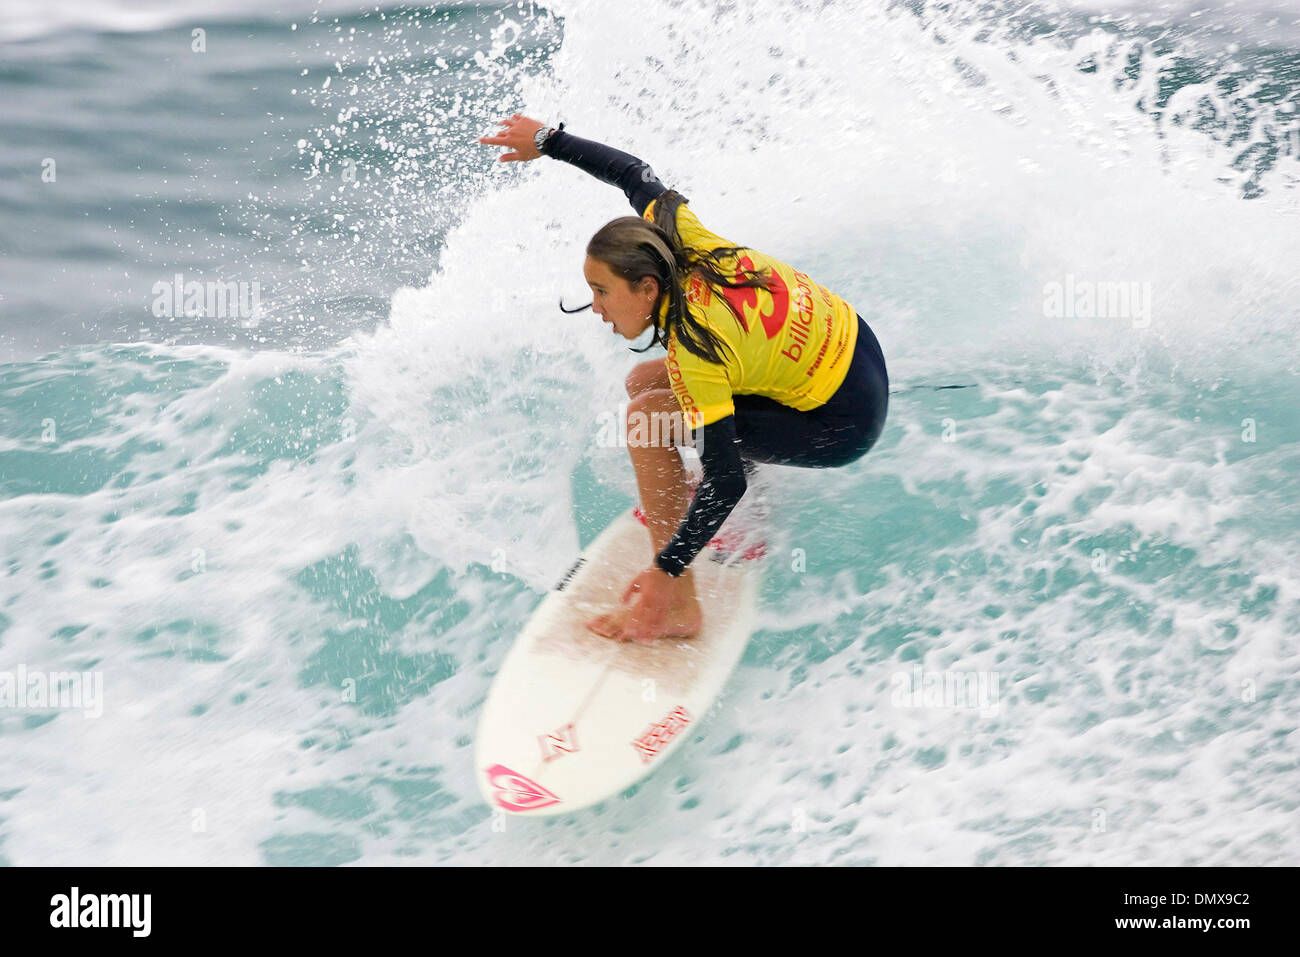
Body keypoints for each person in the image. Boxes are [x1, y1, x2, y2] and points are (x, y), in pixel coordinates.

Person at [478, 114, 889, 644]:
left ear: (648, 288)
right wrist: (548, 141)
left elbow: (723, 478)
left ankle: (679, 609)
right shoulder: (679, 237)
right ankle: (747, 514)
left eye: (603, 291)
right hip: (856, 344)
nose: (596, 307)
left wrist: (664, 569)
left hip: (842, 421)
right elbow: (632, 173)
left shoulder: (697, 343)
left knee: (648, 419)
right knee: (644, 381)